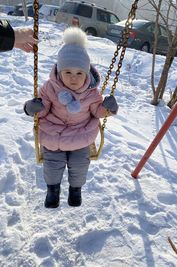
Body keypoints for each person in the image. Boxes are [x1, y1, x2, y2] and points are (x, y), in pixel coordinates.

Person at [24, 27, 118, 209]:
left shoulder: (91, 93)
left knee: (80, 165)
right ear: (59, 72)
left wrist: (107, 109)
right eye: (68, 72)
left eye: (79, 73)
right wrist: (32, 108)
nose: (73, 79)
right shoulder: (50, 88)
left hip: (81, 135)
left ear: (86, 74)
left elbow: (97, 111)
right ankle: (53, 191)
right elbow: (41, 110)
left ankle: (76, 190)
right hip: (53, 134)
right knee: (52, 166)